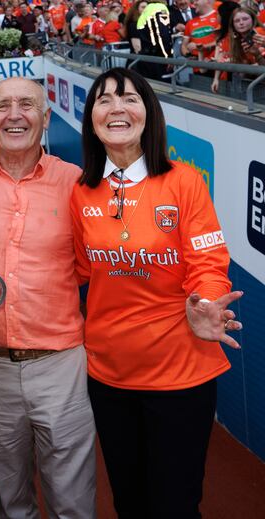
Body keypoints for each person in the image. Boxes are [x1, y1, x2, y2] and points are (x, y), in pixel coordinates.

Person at [71, 67, 243, 519]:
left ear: (149, 112)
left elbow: (208, 263)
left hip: (180, 371)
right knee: (129, 500)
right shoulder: (81, 192)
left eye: (129, 98)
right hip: (108, 373)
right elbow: (79, 271)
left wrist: (206, 303)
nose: (116, 108)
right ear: (91, 118)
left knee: (176, 504)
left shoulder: (184, 181)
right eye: (104, 100)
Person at [0, 77, 97, 519]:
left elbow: (98, 262)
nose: (16, 114)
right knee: (12, 502)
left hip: (62, 363)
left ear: (46, 118)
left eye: (28, 105)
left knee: (73, 502)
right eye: (4, 106)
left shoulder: (76, 183)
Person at [211, 8, 265, 93]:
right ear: (233, 25)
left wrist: (257, 56)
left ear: (253, 20)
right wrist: (216, 79)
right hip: (244, 83)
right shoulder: (231, 39)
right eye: (237, 21)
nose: (241, 23)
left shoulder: (261, 35)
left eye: (245, 19)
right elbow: (221, 60)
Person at [181, 0, 220, 68]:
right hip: (197, 68)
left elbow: (224, 41)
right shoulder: (190, 23)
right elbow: (184, 46)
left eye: (196, 0)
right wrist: (189, 55)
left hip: (216, 66)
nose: (194, 4)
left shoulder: (219, 17)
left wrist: (200, 47)